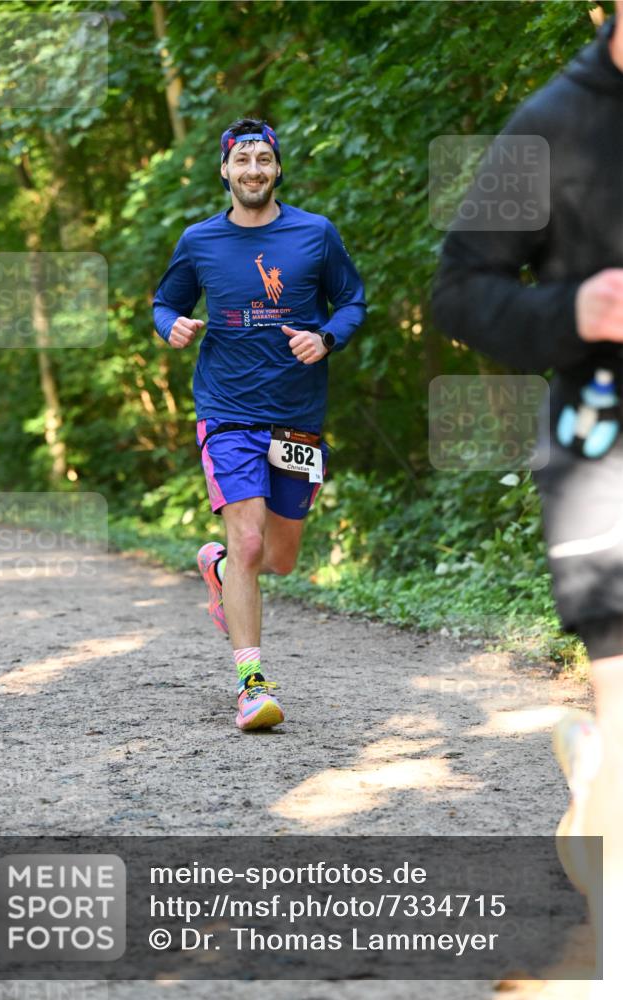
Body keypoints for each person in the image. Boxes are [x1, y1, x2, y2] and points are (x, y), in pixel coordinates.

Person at [432, 6, 622, 994]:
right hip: (605, 451)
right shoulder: (546, 125)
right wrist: (574, 309)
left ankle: (593, 783)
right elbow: (457, 291)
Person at [153, 118, 366, 732]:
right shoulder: (200, 241)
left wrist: (327, 338)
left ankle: (218, 571)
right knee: (247, 541)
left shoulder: (315, 234)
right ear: (224, 170)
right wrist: (173, 326)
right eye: (241, 161)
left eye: (263, 161)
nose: (252, 171)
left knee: (280, 558)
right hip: (226, 412)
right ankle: (251, 684)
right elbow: (166, 301)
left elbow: (352, 300)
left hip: (297, 418)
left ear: (277, 169)